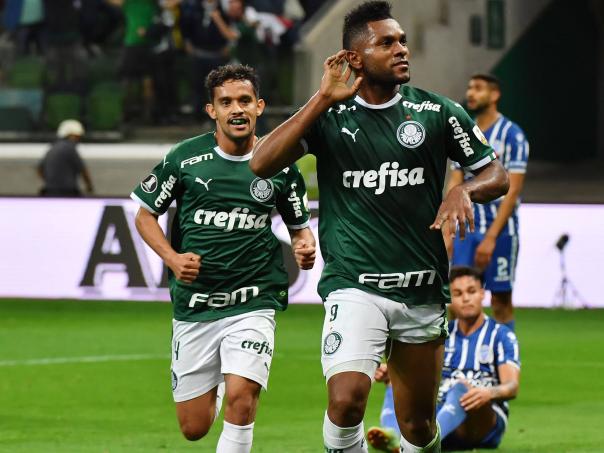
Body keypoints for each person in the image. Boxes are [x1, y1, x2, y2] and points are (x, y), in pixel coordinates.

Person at [250, 2, 509, 451]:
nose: (401, 49)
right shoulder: (330, 118)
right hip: (355, 284)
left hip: (421, 287)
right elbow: (261, 163)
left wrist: (465, 190)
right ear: (354, 58)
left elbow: (496, 174)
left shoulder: (437, 112)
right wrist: (321, 99)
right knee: (346, 401)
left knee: (417, 426)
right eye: (386, 43)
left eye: (402, 40)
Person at [130, 64, 316, 452]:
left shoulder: (279, 163)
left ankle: (233, 380)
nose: (236, 109)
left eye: (244, 100)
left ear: (259, 106)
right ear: (211, 110)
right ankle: (216, 382)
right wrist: (172, 258)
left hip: (254, 299)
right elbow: (145, 216)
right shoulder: (185, 158)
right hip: (196, 304)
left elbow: (300, 227)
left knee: (243, 399)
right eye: (226, 102)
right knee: (193, 427)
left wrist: (304, 244)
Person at [368, 266, 521, 452]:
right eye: (458, 293)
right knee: (397, 379)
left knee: (461, 388)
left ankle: (422, 444)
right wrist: (393, 372)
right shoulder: (440, 333)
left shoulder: (501, 335)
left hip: (482, 418)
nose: (466, 298)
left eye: (471, 291)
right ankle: (394, 438)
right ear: (449, 298)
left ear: (482, 293)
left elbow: (512, 386)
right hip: (441, 411)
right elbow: (419, 375)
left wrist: (488, 393)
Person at [447, 74, 529, 332]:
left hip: (501, 232)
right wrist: (448, 228)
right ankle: (456, 354)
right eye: (470, 88)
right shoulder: (463, 132)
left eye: (478, 88)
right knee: (456, 299)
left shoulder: (512, 135)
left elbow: (512, 191)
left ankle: (505, 353)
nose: (471, 93)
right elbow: (455, 182)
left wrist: (491, 238)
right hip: (466, 230)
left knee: (500, 300)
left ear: (494, 95)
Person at [38, 119, 94, 197]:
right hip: (67, 192)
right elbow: (83, 171)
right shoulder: (69, 148)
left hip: (50, 191)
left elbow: (40, 169)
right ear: (70, 135)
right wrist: (89, 187)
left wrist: (51, 181)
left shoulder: (53, 147)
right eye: (77, 137)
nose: (78, 140)